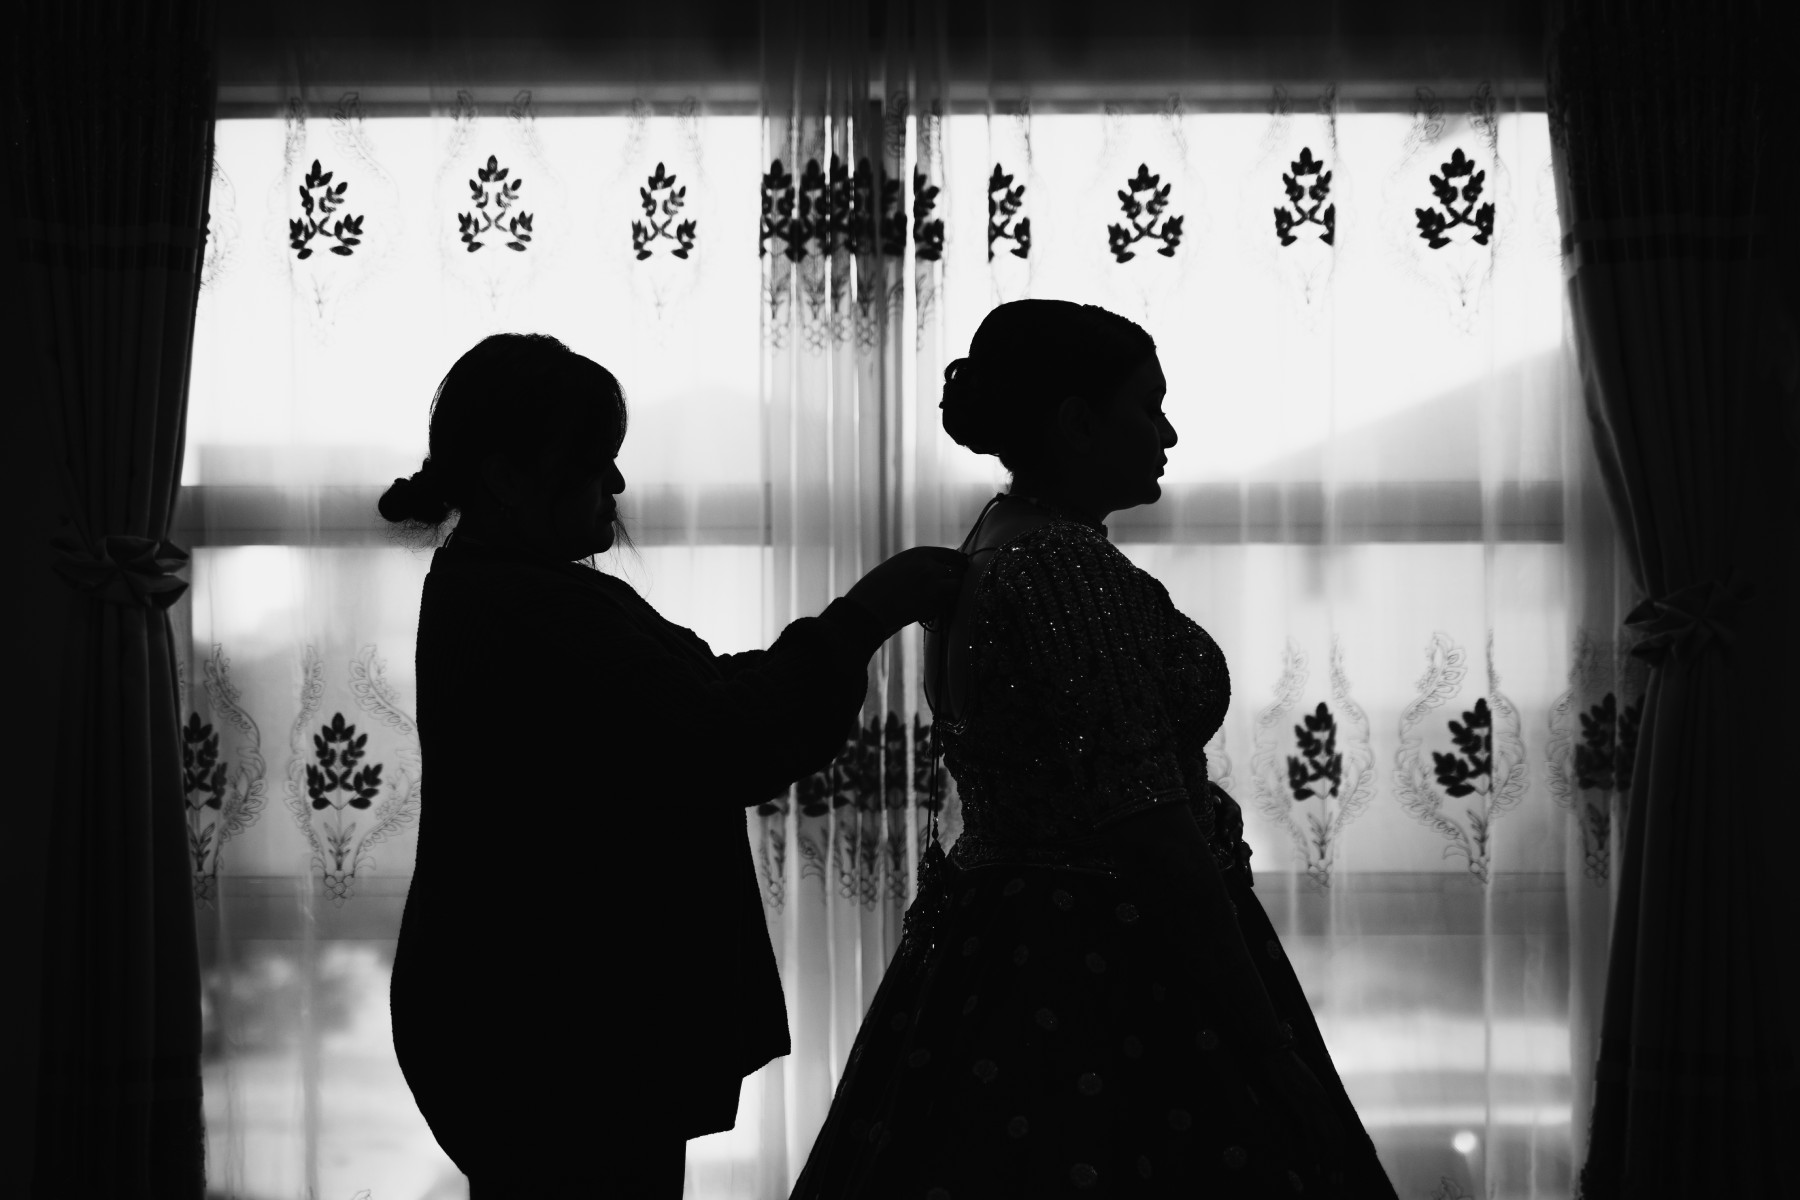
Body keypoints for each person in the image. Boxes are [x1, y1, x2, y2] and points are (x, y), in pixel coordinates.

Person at [790, 300, 1398, 1197]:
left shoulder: (995, 542)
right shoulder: (1064, 567)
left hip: (1004, 943)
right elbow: (1145, 822)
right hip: (1101, 961)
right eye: (1148, 407)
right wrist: (1268, 1050)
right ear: (1077, 421)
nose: (1168, 433)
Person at [377, 333, 968, 1199]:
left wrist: (845, 629)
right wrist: (866, 615)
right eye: (594, 462)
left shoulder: (501, 588)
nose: (615, 485)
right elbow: (724, 735)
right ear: (506, 476)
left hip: (538, 1025)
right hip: (561, 1037)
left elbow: (695, 702)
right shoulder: (532, 605)